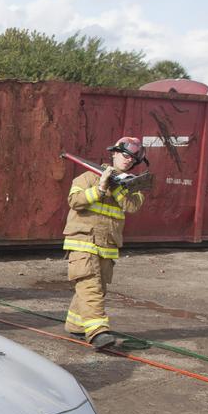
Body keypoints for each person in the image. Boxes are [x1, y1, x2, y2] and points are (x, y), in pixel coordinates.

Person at [63, 137, 148, 349]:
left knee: (95, 289)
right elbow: (74, 201)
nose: (128, 161)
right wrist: (100, 188)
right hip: (84, 243)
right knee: (90, 286)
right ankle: (98, 332)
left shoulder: (131, 185)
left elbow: (133, 206)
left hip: (107, 247)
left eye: (133, 159)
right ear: (114, 153)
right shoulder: (88, 177)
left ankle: (76, 325)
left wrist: (117, 186)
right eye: (125, 155)